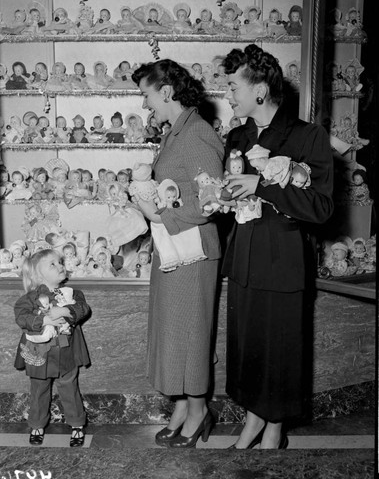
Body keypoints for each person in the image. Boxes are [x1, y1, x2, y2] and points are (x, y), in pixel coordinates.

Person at [220, 44, 333, 449]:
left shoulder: (308, 136)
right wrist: (219, 196)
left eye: (234, 86)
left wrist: (262, 185)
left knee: (280, 349)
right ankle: (259, 424)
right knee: (249, 347)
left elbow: (320, 208)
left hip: (284, 262)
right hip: (245, 259)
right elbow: (230, 197)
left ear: (261, 90)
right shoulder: (236, 136)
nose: (229, 94)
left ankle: (271, 429)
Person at [132, 59, 224, 448]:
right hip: (174, 250)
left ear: (166, 91)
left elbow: (212, 201)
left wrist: (161, 214)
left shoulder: (198, 133)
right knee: (175, 332)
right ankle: (185, 408)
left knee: (189, 333)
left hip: (192, 251)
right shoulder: (176, 132)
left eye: (146, 94)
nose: (144, 104)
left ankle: (199, 410)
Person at [13, 249, 91, 447]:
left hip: (66, 352)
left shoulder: (72, 294)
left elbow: (83, 308)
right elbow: (21, 316)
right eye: (53, 264)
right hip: (40, 355)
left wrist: (65, 310)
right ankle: (37, 424)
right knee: (39, 389)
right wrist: (44, 319)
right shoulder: (30, 298)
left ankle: (76, 424)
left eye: (60, 262)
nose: (60, 266)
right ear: (39, 275)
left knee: (69, 388)